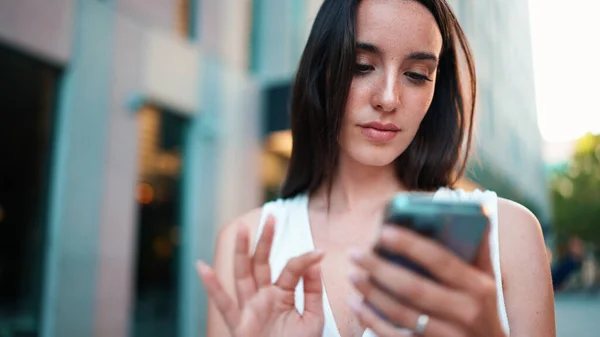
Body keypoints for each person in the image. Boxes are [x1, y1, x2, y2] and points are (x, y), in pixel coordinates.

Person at [197, 0, 556, 336]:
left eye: (416, 74)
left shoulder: (508, 234)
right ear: (322, 71)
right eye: (361, 66)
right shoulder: (248, 245)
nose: (388, 98)